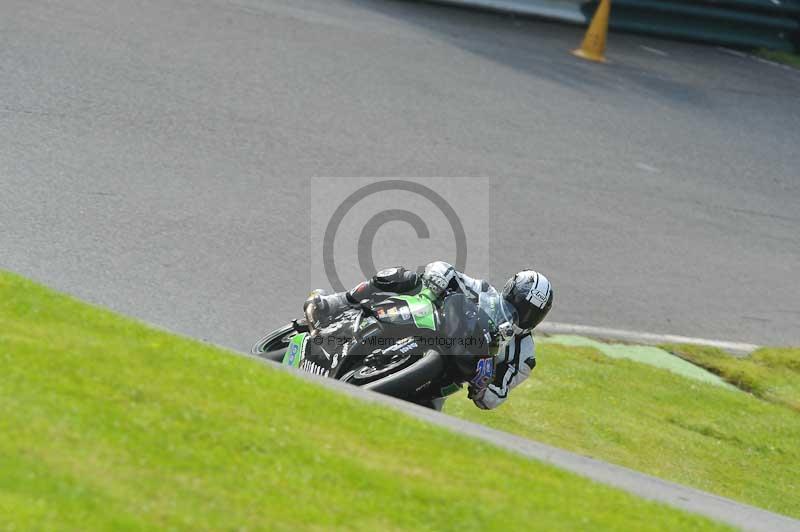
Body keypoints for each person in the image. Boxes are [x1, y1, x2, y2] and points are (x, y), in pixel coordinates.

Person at [304, 262, 553, 410]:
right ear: (509, 291)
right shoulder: (484, 292)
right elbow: (448, 271)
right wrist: (439, 277)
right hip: (441, 330)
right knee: (404, 277)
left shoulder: (524, 355)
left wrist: (483, 387)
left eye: (530, 314)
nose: (522, 314)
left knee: (427, 416)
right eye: (519, 304)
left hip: (453, 373)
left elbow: (496, 397)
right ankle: (337, 302)